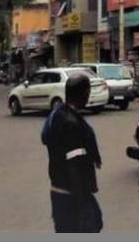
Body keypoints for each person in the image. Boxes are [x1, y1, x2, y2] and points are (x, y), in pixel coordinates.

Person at [41, 72, 103, 233]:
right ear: (84, 93)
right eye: (88, 91)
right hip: (70, 194)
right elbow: (74, 165)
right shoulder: (71, 123)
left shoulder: (58, 114)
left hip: (59, 190)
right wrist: (81, 204)